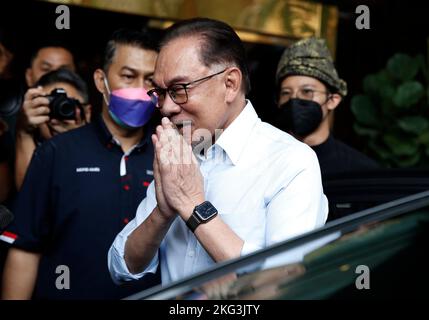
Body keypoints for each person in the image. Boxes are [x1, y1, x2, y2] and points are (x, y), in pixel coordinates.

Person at [108, 18, 328, 286]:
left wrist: (193, 206)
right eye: (161, 92)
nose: (166, 107)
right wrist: (162, 213)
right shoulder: (179, 155)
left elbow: (280, 279)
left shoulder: (291, 162)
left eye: (179, 89)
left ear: (230, 83)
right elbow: (120, 266)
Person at [1, 28, 160, 300]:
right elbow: (25, 251)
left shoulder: (169, 156)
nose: (140, 89)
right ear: (101, 80)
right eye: (128, 76)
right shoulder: (57, 153)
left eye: (150, 80)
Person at [275, 37, 379, 178]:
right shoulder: (266, 162)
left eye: (307, 92)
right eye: (286, 93)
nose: (294, 99)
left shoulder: (359, 171)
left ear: (332, 100)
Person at [14, 68, 91, 189]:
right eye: (50, 106)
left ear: (87, 112)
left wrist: (75, 140)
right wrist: (24, 131)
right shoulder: (34, 150)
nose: (59, 114)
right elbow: (30, 196)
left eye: (67, 105)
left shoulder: (103, 148)